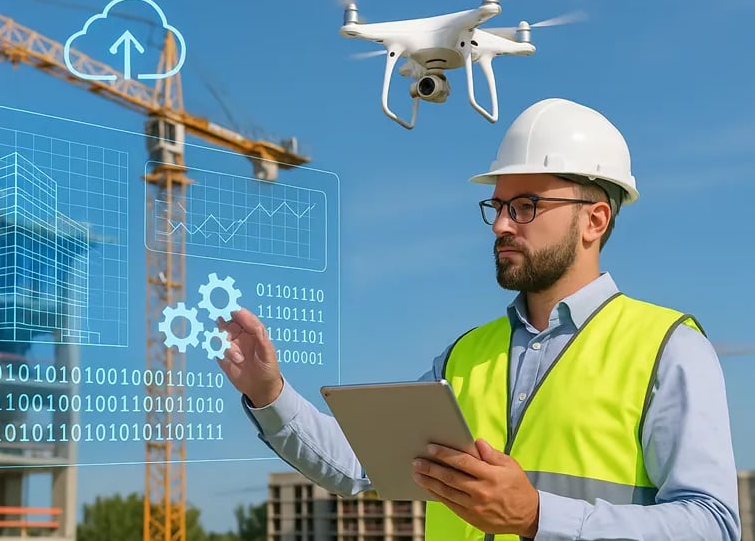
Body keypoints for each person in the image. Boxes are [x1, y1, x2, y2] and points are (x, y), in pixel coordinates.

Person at [213, 98, 741, 541]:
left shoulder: (667, 348)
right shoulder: (464, 356)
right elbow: (359, 466)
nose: (502, 225)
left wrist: (538, 515)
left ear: (594, 219)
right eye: (498, 206)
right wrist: (269, 393)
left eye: (526, 205)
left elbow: (712, 525)